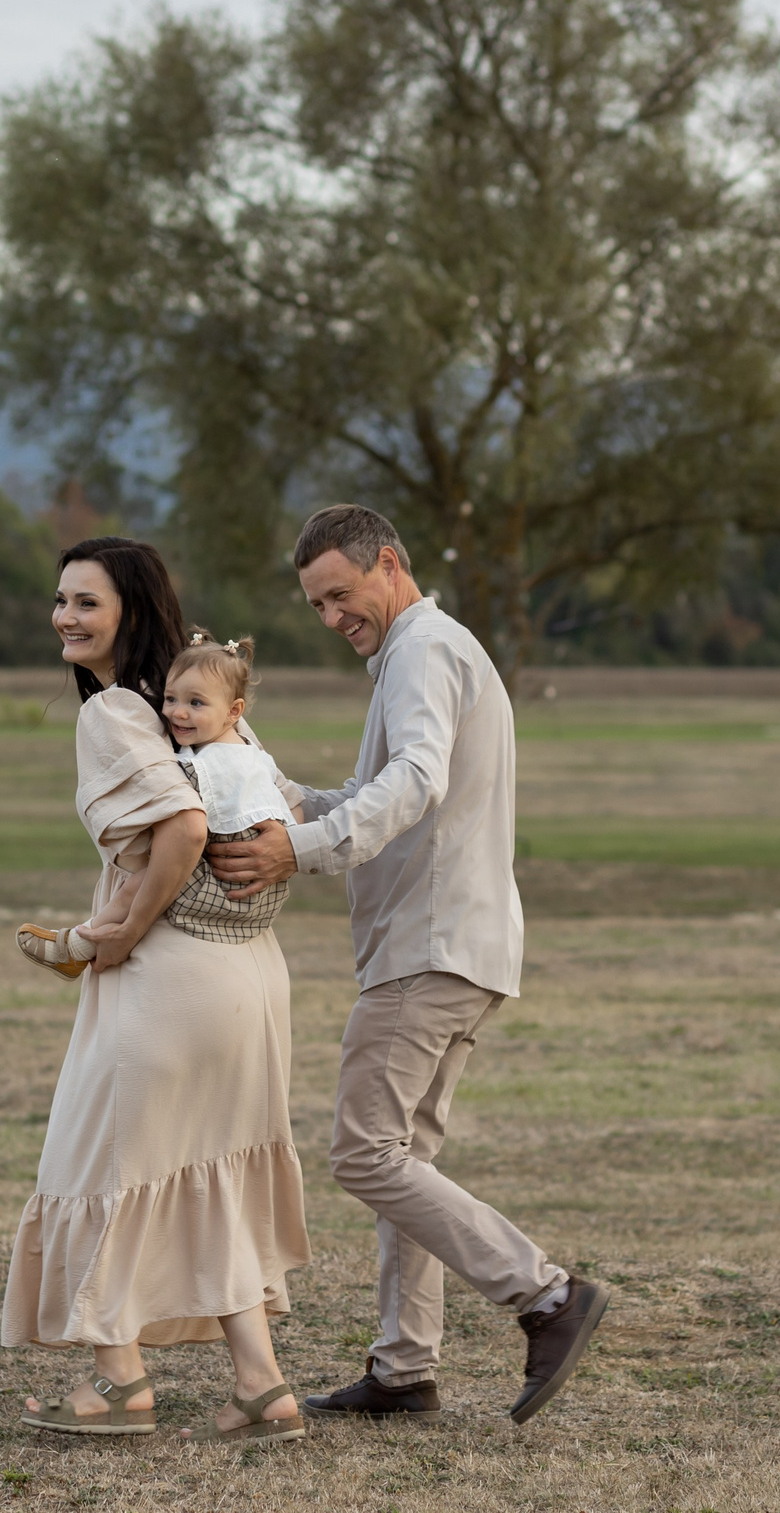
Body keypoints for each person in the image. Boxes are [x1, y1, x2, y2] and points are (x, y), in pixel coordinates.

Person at [209, 504, 608, 1425]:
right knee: (404, 1156)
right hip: (462, 946)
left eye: (340, 594)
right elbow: (373, 791)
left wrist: (298, 850)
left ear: (388, 564)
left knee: (364, 1152)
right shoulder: (421, 652)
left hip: (428, 948)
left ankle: (547, 1295)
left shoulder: (424, 648)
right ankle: (404, 1371)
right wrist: (269, 783)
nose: (331, 617)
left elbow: (417, 780)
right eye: (316, 604)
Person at [0, 537, 313, 1445]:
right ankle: (261, 1386)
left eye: (86, 602)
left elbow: (182, 828)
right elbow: (283, 809)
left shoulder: (117, 714)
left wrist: (121, 933)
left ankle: (118, 1383)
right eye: (61, 599)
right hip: (250, 970)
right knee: (210, 1172)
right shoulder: (204, 708)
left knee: (102, 1164)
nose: (64, 617)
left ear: (130, 610)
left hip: (169, 975)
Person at [41, 633, 295, 955]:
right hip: (264, 898)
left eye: (196, 703)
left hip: (221, 887)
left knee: (140, 882)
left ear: (234, 712)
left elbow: (181, 822)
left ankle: (77, 946)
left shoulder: (202, 766)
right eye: (171, 698)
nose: (178, 713)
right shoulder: (253, 753)